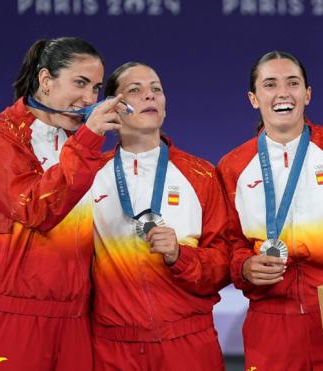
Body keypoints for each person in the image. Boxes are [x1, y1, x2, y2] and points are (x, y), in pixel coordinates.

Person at [0, 37, 122, 370]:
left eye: (96, 88)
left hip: (75, 319)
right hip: (11, 320)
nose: (89, 99)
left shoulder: (80, 144)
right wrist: (90, 138)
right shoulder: (0, 134)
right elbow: (35, 209)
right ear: (46, 80)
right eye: (80, 83)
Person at [217, 51, 323, 371]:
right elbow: (230, 243)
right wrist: (244, 268)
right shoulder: (232, 167)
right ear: (253, 98)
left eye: (293, 83)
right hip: (270, 323)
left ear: (308, 93)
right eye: (270, 84)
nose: (283, 93)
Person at [89, 62, 231, 371]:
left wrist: (180, 256)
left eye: (156, 90)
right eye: (135, 91)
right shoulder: (88, 175)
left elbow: (224, 264)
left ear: (165, 107)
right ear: (113, 106)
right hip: (113, 347)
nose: (149, 97)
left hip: (188, 343)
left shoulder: (201, 174)